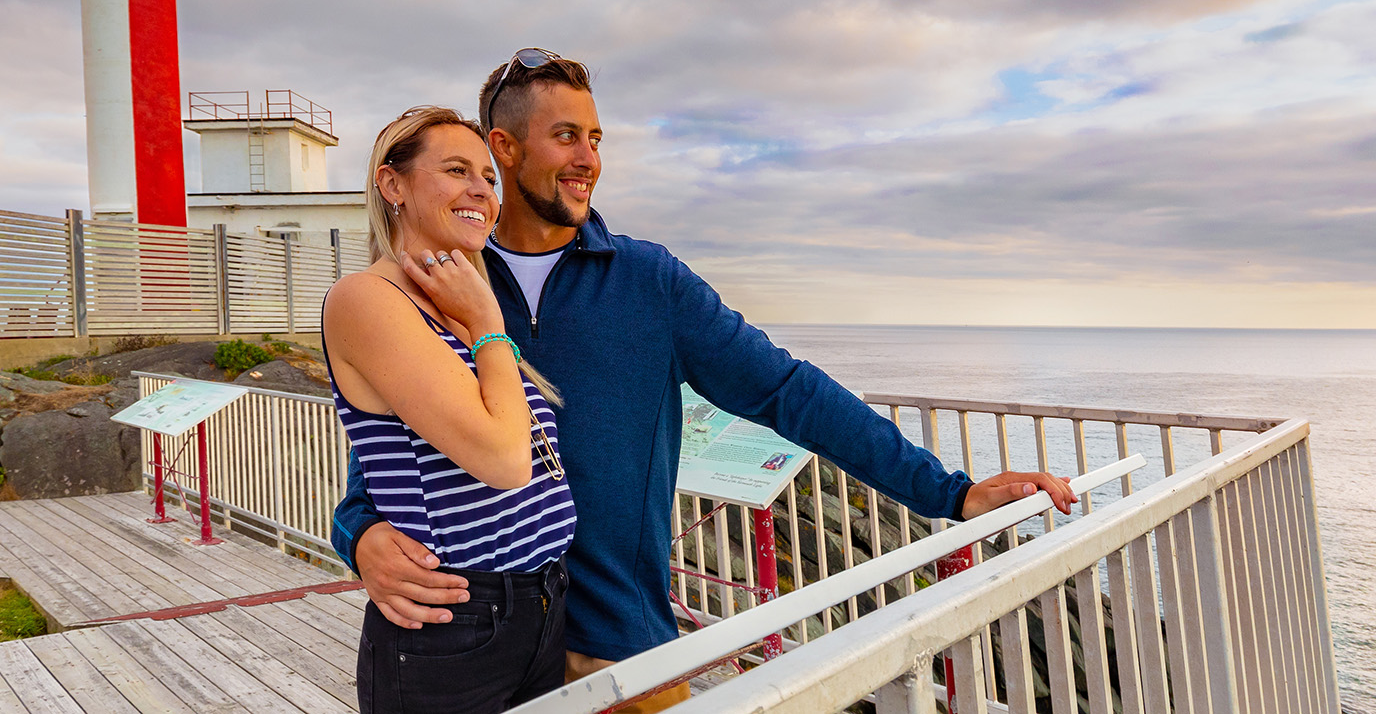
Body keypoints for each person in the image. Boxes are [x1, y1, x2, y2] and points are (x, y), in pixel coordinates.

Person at [332, 50, 1072, 711]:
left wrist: (949, 492)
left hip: (620, 655)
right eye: (566, 136)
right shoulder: (443, 282)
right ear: (505, 146)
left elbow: (788, 391)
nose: (589, 158)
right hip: (476, 645)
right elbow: (395, 447)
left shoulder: (648, 281)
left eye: (597, 139)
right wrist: (359, 531)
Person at [324, 105, 577, 714]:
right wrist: (489, 322)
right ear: (393, 185)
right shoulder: (368, 299)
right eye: (457, 170)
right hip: (455, 620)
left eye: (488, 177)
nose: (483, 190)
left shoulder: (456, 306)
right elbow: (505, 461)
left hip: (542, 604)